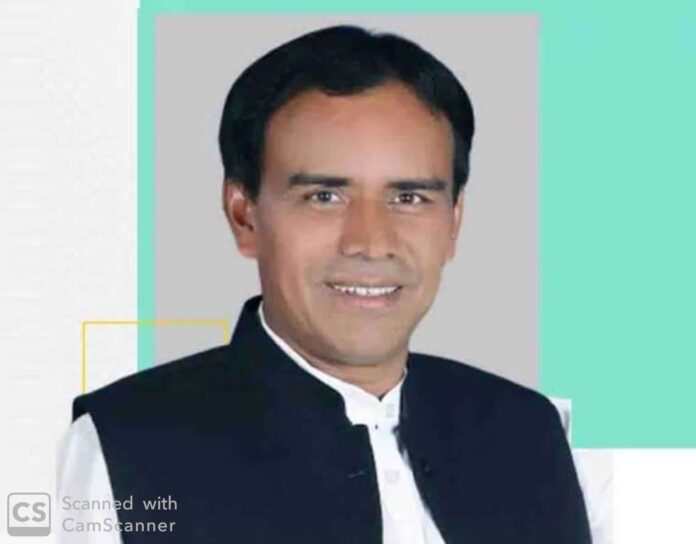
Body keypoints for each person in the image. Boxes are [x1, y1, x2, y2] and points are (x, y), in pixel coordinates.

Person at [58, 25, 592, 544]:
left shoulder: (529, 433)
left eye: (409, 198)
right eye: (324, 197)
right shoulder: (125, 446)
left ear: (453, 222)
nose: (371, 242)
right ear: (244, 215)